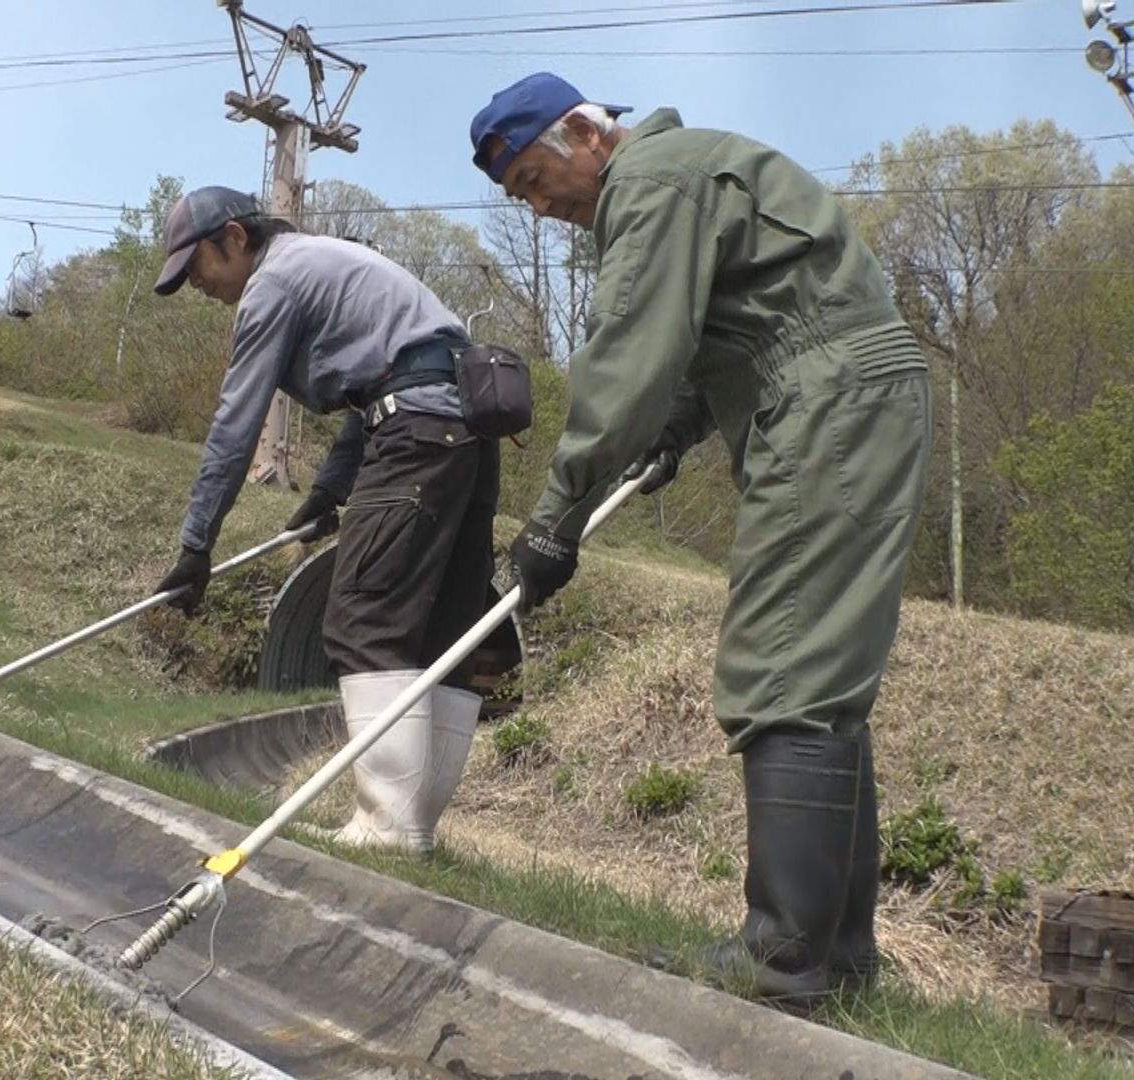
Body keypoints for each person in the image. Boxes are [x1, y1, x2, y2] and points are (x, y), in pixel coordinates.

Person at [468, 74, 932, 1005]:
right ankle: (836, 962)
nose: (539, 202)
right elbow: (704, 338)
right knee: (824, 679)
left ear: (585, 132)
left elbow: (629, 357)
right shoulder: (686, 168)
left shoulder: (651, 182)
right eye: (518, 193)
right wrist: (677, 430)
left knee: (786, 660)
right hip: (848, 390)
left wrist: (555, 518)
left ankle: (782, 958)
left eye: (533, 174)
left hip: (825, 401)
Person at [150, 184, 501, 856]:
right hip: (465, 431)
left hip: (420, 430)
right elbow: (385, 376)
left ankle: (386, 827)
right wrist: (330, 491)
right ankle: (414, 832)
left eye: (195, 267)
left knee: (365, 618)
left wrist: (197, 545)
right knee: (440, 634)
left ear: (233, 237)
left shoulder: (272, 283)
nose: (194, 284)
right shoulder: (320, 261)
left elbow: (235, 426)